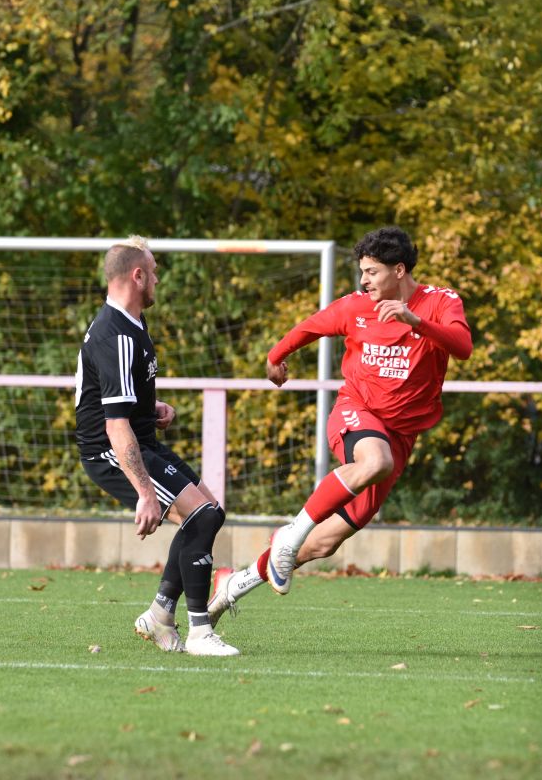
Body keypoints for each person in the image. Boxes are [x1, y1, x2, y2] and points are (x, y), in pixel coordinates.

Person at [207, 226, 472, 620]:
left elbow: (463, 347)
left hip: (400, 435)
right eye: (362, 272)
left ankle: (233, 583)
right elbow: (309, 327)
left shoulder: (440, 301)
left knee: (323, 543)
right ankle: (289, 535)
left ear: (399, 270)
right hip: (357, 411)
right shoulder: (356, 306)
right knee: (374, 461)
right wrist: (275, 357)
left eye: (372, 272)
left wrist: (415, 320)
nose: (364, 280)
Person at [75, 235, 238, 657]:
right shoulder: (115, 334)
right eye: (154, 272)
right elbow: (114, 426)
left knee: (210, 512)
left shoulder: (132, 323)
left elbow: (118, 399)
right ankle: (199, 632)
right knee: (200, 517)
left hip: (139, 437)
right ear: (137, 275)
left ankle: (160, 613)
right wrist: (145, 493)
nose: (158, 280)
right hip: (111, 451)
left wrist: (151, 407)